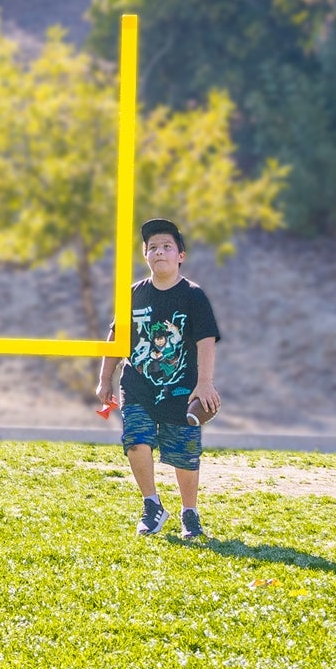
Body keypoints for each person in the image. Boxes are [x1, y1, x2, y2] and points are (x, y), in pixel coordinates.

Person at [95, 218, 221, 542]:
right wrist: (104, 378)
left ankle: (189, 513)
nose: (159, 252)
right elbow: (116, 336)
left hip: (180, 387)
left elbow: (206, 340)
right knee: (135, 440)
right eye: (152, 247)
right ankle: (152, 505)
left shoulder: (193, 296)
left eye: (166, 246)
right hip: (137, 385)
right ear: (145, 254)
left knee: (183, 453)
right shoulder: (133, 294)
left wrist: (205, 383)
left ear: (181, 255)